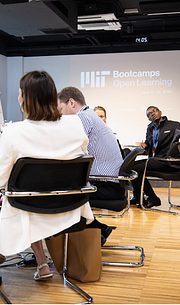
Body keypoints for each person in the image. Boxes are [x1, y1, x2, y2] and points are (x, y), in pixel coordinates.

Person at [0, 70, 96, 282]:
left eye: (20, 93)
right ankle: (31, 260)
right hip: (71, 207)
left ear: (25, 98)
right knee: (29, 196)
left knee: (18, 199)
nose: (18, 97)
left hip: (30, 209)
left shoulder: (14, 132)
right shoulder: (75, 124)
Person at [57, 86, 125, 244]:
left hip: (105, 186)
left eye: (61, 108)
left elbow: (66, 148)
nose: (60, 114)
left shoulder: (82, 119)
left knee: (59, 196)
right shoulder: (90, 116)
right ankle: (97, 230)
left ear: (71, 103)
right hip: (112, 185)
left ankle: (83, 239)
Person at [131, 106, 180, 208]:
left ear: (160, 112)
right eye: (149, 114)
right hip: (156, 160)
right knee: (131, 167)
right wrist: (145, 145)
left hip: (168, 161)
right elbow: (149, 145)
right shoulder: (150, 128)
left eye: (154, 111)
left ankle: (153, 198)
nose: (152, 114)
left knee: (134, 168)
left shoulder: (173, 125)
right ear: (148, 118)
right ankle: (137, 196)